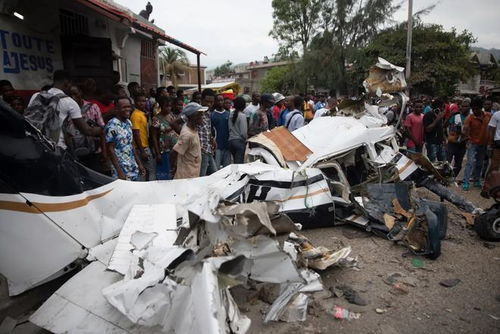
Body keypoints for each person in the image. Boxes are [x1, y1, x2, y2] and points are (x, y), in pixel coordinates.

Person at [27, 70, 101, 149]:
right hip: (56, 148)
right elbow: (87, 130)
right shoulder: (69, 102)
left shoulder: (36, 96)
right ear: (67, 82)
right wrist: (100, 130)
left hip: (35, 144)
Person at [66, 85, 106, 172]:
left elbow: (102, 129)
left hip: (94, 151)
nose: (73, 97)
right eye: (70, 95)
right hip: (74, 152)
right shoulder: (66, 109)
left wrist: (104, 152)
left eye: (75, 94)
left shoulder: (93, 107)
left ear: (80, 93)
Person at [105, 96, 145, 181]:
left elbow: (130, 145)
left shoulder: (128, 122)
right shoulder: (112, 125)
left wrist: (139, 164)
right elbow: (110, 149)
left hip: (132, 166)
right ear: (116, 109)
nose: (128, 109)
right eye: (124, 107)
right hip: (121, 169)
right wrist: (119, 171)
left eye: (129, 106)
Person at [462, 97, 491, 190]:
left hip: (483, 144)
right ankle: (465, 182)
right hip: (472, 143)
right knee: (470, 163)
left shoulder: (488, 116)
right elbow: (465, 130)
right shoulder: (469, 118)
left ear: (481, 107)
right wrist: (467, 139)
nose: (474, 111)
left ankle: (476, 180)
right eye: (473, 109)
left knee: (480, 163)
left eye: (476, 109)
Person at [172, 103, 206, 179]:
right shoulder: (187, 135)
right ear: (193, 116)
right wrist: (173, 168)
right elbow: (174, 152)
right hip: (186, 177)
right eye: (200, 115)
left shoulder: (193, 129)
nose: (202, 117)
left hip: (192, 174)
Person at [151, 96, 181, 180]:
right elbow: (154, 137)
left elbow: (178, 130)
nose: (168, 108)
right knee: (166, 174)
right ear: (161, 106)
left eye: (170, 106)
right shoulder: (156, 119)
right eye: (166, 106)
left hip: (175, 149)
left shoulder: (171, 116)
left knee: (175, 171)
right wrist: (157, 153)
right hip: (164, 150)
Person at [130, 93, 156, 181]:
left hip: (144, 146)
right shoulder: (136, 115)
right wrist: (142, 151)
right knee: (150, 171)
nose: (142, 103)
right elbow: (136, 133)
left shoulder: (142, 113)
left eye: (144, 101)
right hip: (141, 148)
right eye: (139, 101)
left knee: (145, 171)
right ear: (135, 102)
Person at [446, 100, 469, 177]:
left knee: (458, 164)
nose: (464, 108)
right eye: (463, 106)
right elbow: (445, 125)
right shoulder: (456, 116)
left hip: (462, 144)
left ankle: (453, 177)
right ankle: (446, 177)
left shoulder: (471, 118)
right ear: (460, 107)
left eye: (466, 106)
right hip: (452, 142)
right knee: (447, 162)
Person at [198, 88, 217, 176]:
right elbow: (175, 124)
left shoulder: (208, 113)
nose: (209, 104)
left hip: (208, 149)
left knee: (215, 175)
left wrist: (212, 139)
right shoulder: (196, 111)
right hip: (200, 150)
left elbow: (207, 130)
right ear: (201, 100)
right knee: (201, 177)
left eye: (211, 102)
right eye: (207, 101)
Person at [482, 106, 500, 196]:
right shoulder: (497, 115)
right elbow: (491, 130)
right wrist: (491, 143)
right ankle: (486, 188)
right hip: (498, 144)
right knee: (494, 167)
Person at [211, 95, 231, 168]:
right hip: (217, 145)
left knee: (227, 168)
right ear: (215, 102)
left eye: (222, 100)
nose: (220, 102)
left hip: (227, 144)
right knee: (216, 167)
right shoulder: (212, 115)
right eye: (218, 100)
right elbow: (211, 131)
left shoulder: (228, 114)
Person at [228, 96, 248, 163]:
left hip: (231, 141)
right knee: (239, 164)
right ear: (243, 106)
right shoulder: (242, 116)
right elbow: (243, 132)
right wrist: (246, 139)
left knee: (234, 163)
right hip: (239, 142)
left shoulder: (231, 114)